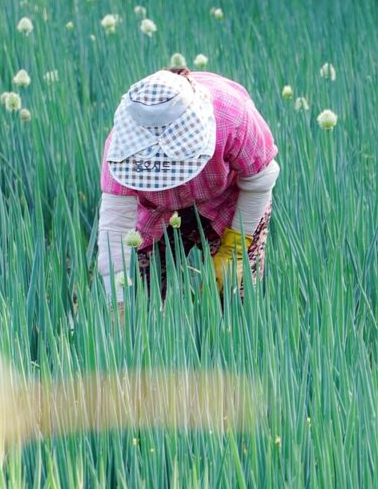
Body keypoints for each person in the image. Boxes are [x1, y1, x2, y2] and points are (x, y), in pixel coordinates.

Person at [95, 68, 280, 309]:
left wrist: (235, 249)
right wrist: (118, 301)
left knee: (236, 295)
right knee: (138, 297)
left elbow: (260, 179)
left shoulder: (232, 115)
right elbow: (116, 228)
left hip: (227, 204)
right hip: (155, 212)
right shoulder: (120, 150)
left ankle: (221, 341)